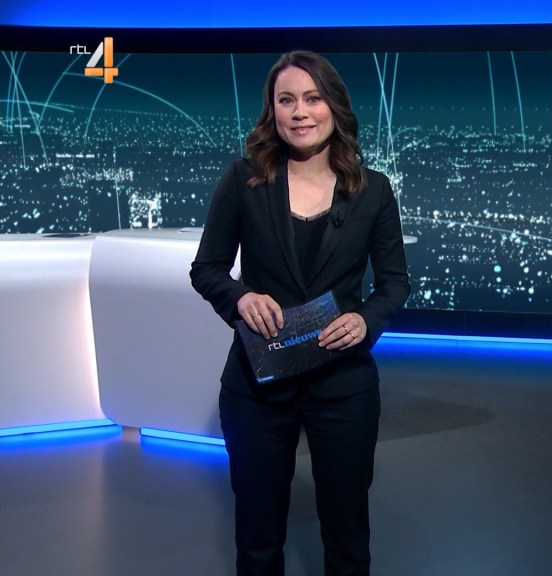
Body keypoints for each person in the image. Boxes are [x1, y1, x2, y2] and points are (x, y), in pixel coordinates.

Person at [190, 50, 410, 576]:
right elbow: (207, 269)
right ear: (272, 110)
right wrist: (240, 298)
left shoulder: (374, 190)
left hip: (343, 384)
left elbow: (395, 283)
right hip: (258, 385)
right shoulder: (243, 180)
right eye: (286, 100)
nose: (300, 111)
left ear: (334, 106)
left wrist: (366, 320)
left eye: (313, 98)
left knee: (348, 538)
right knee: (258, 539)